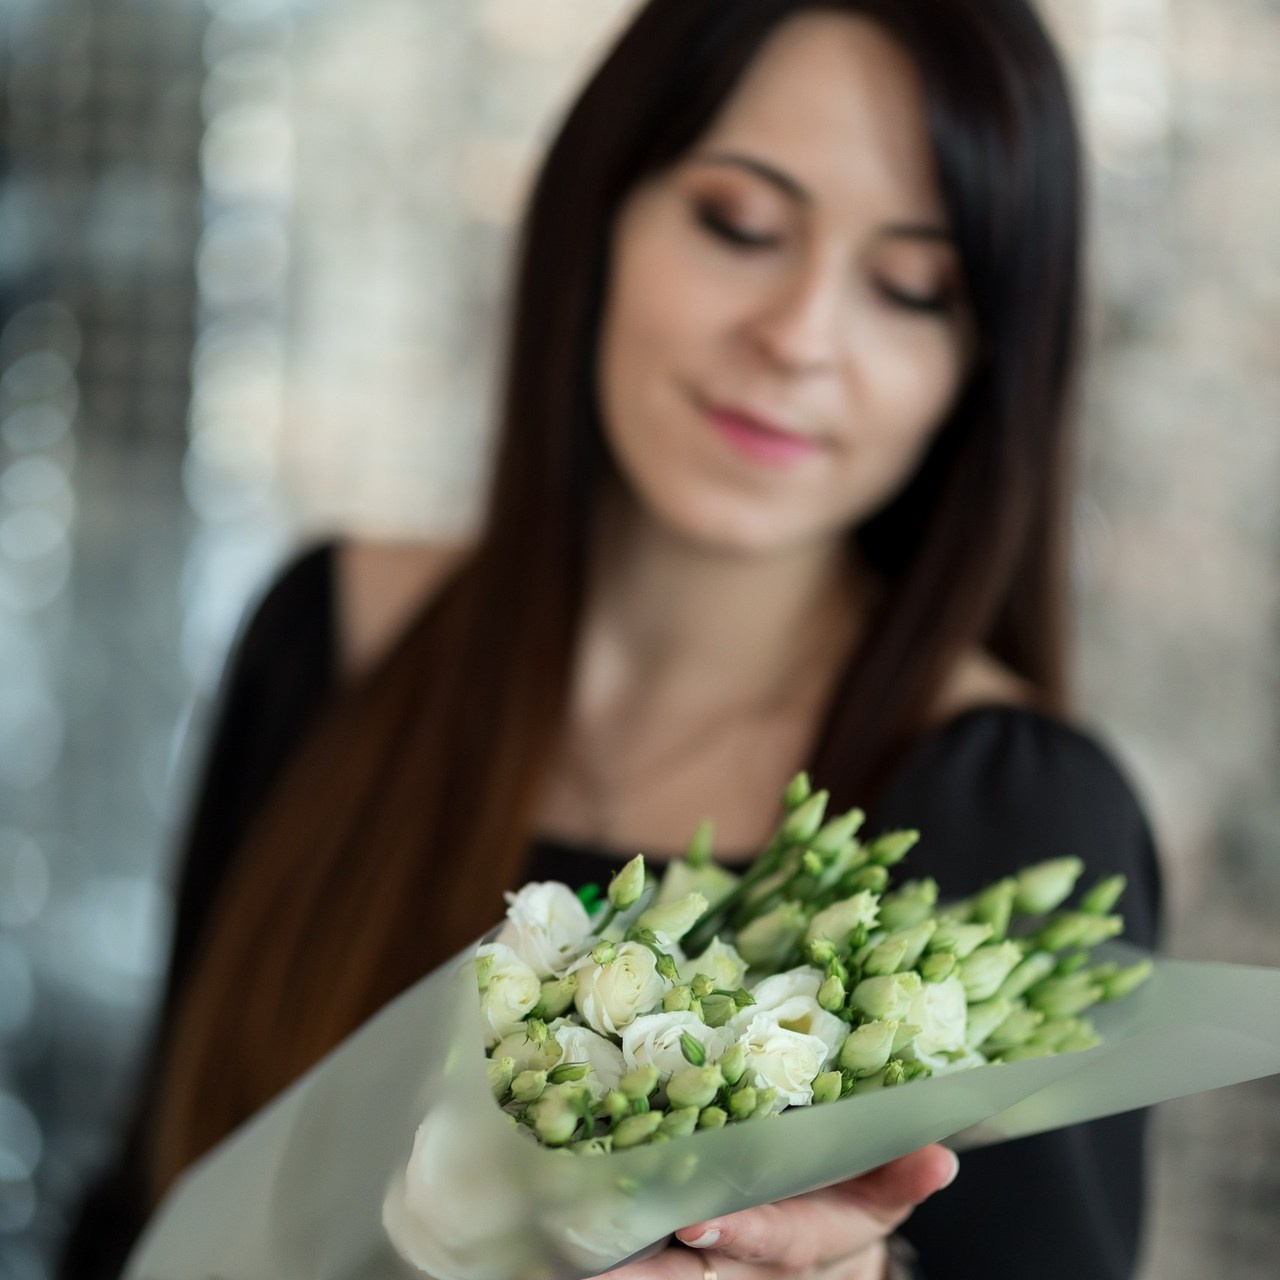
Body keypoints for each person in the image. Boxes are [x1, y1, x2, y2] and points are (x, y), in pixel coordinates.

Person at [60, 2, 1163, 1278]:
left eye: (912, 288)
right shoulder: (333, 637)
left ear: (979, 364)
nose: (799, 334)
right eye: (739, 225)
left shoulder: (1015, 809)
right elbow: (145, 1192)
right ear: (599, 217)